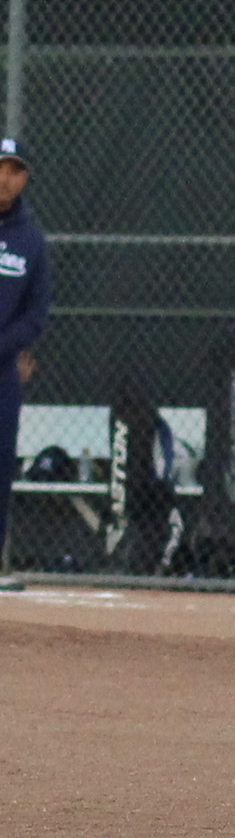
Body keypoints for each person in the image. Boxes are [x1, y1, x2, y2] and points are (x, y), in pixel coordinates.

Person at [0, 140, 49, 593]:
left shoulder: (30, 239)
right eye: (1, 168)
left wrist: (6, 346)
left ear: (25, 178)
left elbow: (35, 314)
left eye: (14, 171)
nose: (5, 178)